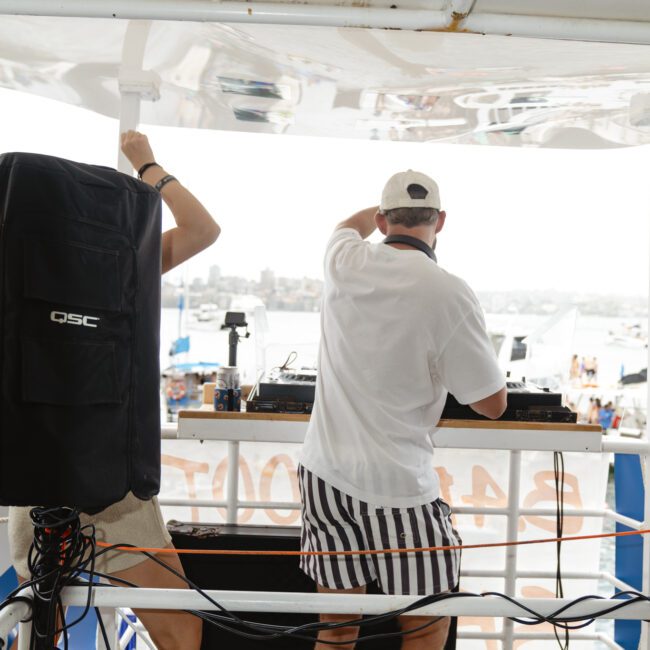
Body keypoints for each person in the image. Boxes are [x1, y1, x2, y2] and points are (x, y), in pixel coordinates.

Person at [9, 130, 220, 650]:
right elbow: (203, 230)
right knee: (50, 626)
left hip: (71, 470)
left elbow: (203, 230)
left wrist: (146, 169)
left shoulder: (120, 266)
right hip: (72, 474)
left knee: (47, 626)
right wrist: (147, 165)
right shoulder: (29, 272)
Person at [298, 170, 506, 650]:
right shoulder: (448, 291)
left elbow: (344, 227)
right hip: (398, 486)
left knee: (335, 630)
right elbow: (492, 404)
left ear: (381, 218)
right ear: (441, 221)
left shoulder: (343, 260)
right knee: (426, 627)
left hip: (324, 475)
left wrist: (372, 216)